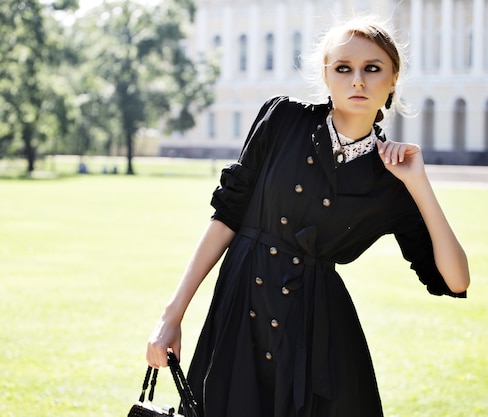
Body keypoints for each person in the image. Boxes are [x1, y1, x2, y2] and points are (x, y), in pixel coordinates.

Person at [146, 16, 470, 417]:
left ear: (393, 79)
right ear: (325, 74)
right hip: (239, 315)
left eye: (372, 69)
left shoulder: (393, 179)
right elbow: (226, 217)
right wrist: (171, 315)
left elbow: (455, 280)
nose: (357, 81)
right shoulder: (282, 120)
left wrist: (420, 186)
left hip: (319, 338)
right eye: (343, 68)